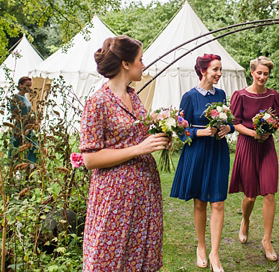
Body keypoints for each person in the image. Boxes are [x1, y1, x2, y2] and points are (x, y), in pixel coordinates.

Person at [79, 36, 169, 271]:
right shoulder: (97, 103)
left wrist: (163, 133)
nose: (144, 64)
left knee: (139, 257)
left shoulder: (134, 98)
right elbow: (90, 159)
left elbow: (139, 135)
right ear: (126, 64)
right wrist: (139, 149)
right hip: (115, 196)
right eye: (141, 59)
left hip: (144, 192)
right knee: (107, 258)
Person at [170, 54, 235, 272]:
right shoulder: (189, 97)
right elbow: (180, 130)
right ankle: (201, 245)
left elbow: (229, 121)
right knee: (200, 202)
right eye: (215, 69)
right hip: (197, 152)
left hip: (218, 152)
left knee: (218, 202)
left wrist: (229, 128)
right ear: (203, 70)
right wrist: (200, 133)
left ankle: (215, 254)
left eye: (220, 69)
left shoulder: (222, 94)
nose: (219, 73)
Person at [228, 56, 279, 261]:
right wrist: (253, 134)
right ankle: (245, 220)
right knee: (250, 196)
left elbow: (277, 120)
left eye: (266, 74)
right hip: (247, 145)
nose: (262, 77)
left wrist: (271, 128)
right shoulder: (240, 95)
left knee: (269, 193)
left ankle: (266, 240)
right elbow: (235, 122)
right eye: (259, 73)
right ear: (252, 72)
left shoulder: (273, 95)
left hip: (266, 146)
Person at [10, 76, 38, 163]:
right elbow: (13, 113)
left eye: (30, 86)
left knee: (32, 146)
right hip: (20, 126)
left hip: (28, 126)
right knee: (18, 146)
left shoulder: (26, 98)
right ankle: (17, 168)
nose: (29, 88)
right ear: (20, 85)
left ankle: (31, 166)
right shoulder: (15, 98)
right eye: (27, 85)